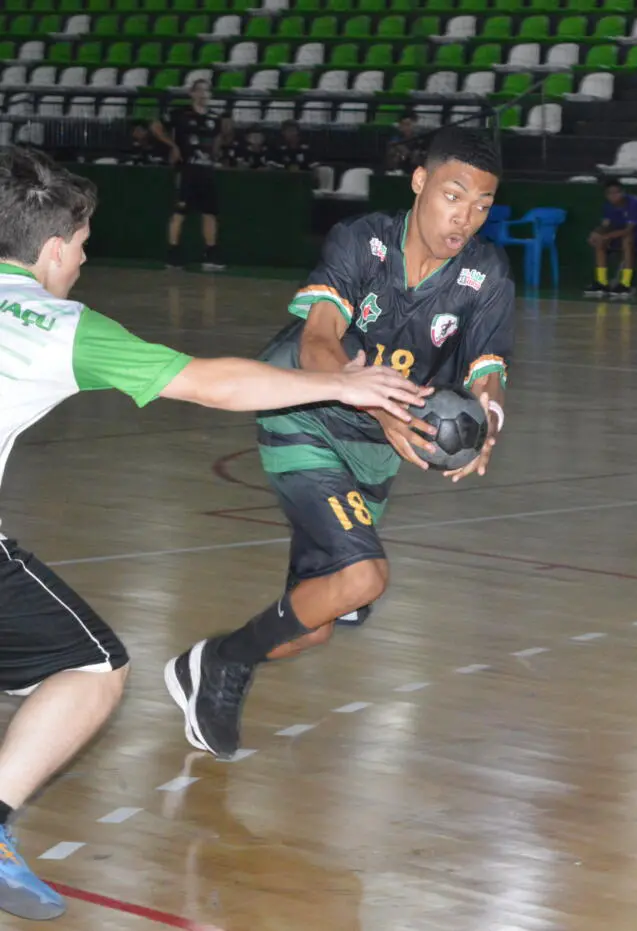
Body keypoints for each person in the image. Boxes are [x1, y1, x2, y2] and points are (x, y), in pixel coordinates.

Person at [0, 146, 427, 921]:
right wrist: (339, 381)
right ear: (55, 249)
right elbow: (211, 382)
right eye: (85, 246)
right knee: (92, 667)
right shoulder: (59, 326)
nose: (84, 261)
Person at [164, 127, 515, 761]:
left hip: (375, 449)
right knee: (364, 575)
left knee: (314, 626)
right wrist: (370, 399)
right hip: (306, 412)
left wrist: (488, 415)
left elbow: (486, 369)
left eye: (482, 204)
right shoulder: (362, 240)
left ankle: (212, 662)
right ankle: (223, 666)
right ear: (419, 183)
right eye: (452, 196)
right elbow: (318, 338)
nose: (465, 217)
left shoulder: (485, 273)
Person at [150, 78, 224, 271]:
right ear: (191, 93)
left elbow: (217, 138)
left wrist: (216, 155)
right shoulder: (180, 114)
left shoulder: (215, 117)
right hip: (187, 170)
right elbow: (156, 127)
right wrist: (173, 146)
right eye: (199, 91)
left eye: (206, 91)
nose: (203, 95)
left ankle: (210, 255)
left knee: (210, 213)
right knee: (179, 212)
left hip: (207, 170)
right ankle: (173, 254)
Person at [584, 179, 637, 300]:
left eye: (616, 192)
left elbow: (628, 230)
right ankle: (602, 283)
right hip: (619, 235)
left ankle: (625, 284)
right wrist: (596, 233)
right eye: (610, 193)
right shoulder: (608, 207)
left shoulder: (635, 204)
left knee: (627, 238)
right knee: (600, 241)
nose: (613, 196)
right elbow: (605, 225)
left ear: (623, 192)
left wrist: (607, 236)